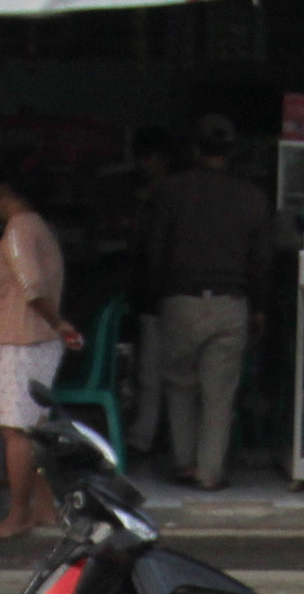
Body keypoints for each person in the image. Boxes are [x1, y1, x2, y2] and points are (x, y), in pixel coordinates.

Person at [141, 114, 277, 490]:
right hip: (231, 304)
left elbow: (154, 249)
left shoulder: (171, 190)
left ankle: (183, 462)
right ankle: (209, 472)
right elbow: (262, 261)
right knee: (219, 394)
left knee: (180, 386)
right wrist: (261, 307)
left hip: (180, 301)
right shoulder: (252, 197)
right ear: (232, 151)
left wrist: (155, 297)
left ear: (194, 149)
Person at [0, 164, 83, 541]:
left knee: (16, 432)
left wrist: (56, 321)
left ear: (11, 194)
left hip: (19, 339)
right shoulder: (40, 227)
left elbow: (33, 286)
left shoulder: (19, 229)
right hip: (33, 340)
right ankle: (44, 506)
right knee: (33, 427)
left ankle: (18, 513)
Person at [123, 126, 179, 463]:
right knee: (158, 374)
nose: (144, 164)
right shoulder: (156, 195)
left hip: (163, 294)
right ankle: (153, 438)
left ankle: (147, 438)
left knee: (155, 374)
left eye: (149, 158)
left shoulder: (166, 197)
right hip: (163, 295)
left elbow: (153, 249)